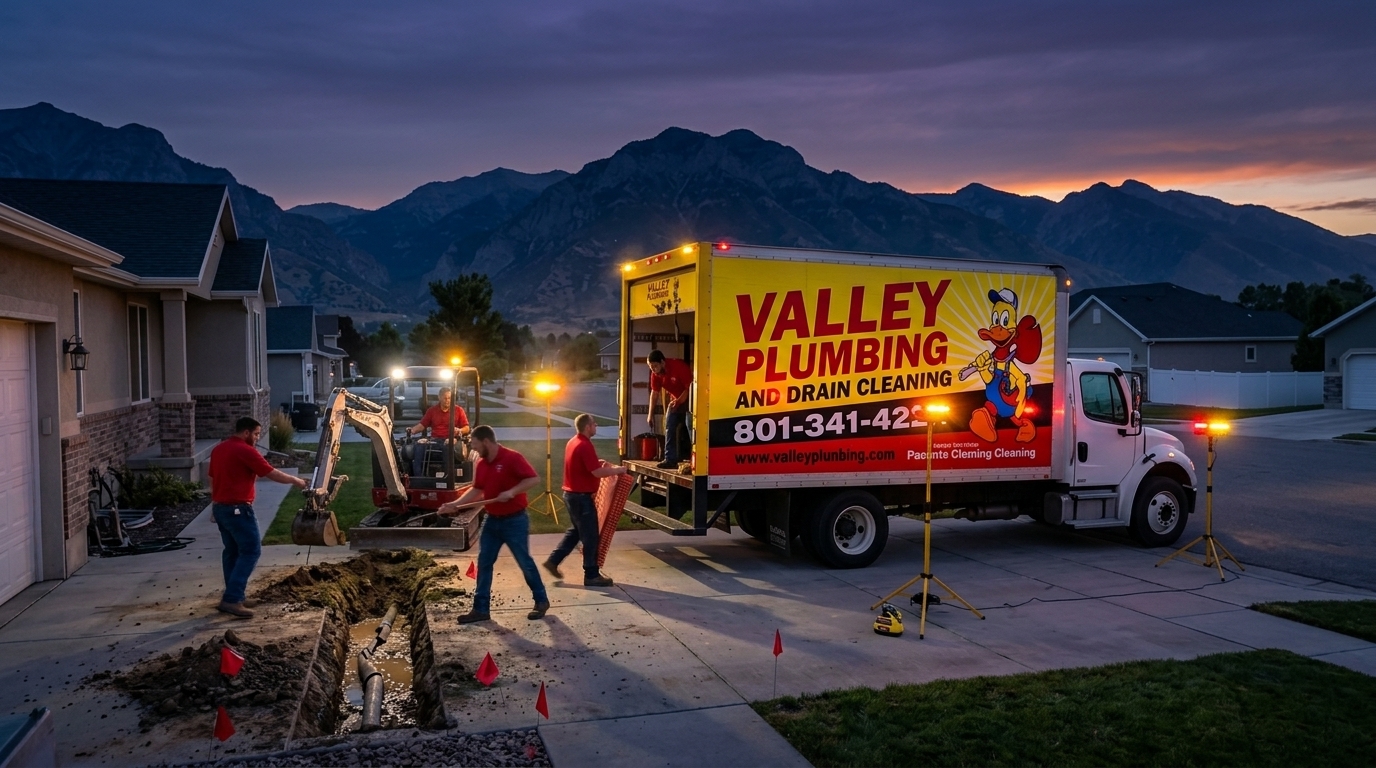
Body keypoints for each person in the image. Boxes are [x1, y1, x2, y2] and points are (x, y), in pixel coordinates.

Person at [438, 425, 549, 624]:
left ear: (486, 441)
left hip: (515, 521)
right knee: (484, 563)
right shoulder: (481, 463)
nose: (474, 449)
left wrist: (512, 492)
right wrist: (454, 505)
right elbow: (476, 491)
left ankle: (541, 600)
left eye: (475, 444)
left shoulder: (512, 458)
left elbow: (534, 479)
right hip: (492, 521)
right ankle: (481, 609)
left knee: (525, 563)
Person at [208, 416, 308, 619]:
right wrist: (297, 481)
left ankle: (234, 595)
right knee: (251, 551)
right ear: (245, 433)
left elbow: (213, 478)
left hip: (221, 508)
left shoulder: (219, 449)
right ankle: (232, 599)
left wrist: (214, 505)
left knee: (232, 552)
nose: (256, 438)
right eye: (255, 434)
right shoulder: (245, 450)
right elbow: (271, 473)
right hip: (238, 510)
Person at [543, 414, 627, 587]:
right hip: (580, 498)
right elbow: (596, 473)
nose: (596, 427)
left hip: (572, 495)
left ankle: (553, 560)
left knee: (576, 532)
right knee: (590, 536)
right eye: (594, 425)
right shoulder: (584, 445)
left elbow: (587, 466)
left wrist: (597, 463)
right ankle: (591, 574)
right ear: (588, 427)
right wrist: (619, 470)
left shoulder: (574, 441)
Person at [403, 387, 470, 477]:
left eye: (449, 398)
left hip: (450, 439)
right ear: (439, 398)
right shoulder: (432, 411)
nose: (447, 400)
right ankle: (418, 478)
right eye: (445, 398)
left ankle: (448, 478)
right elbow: (422, 425)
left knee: (447, 447)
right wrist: (412, 430)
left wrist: (459, 430)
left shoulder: (458, 410)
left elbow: (467, 428)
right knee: (418, 446)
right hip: (435, 440)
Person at [646, 349, 692, 470]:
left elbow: (690, 388)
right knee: (669, 425)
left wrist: (680, 401)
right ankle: (670, 459)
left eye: (655, 366)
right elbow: (654, 393)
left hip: (691, 399)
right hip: (676, 400)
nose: (654, 369)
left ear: (662, 362)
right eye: (651, 367)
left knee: (690, 425)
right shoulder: (655, 374)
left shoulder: (678, 366)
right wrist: (650, 415)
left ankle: (694, 457)